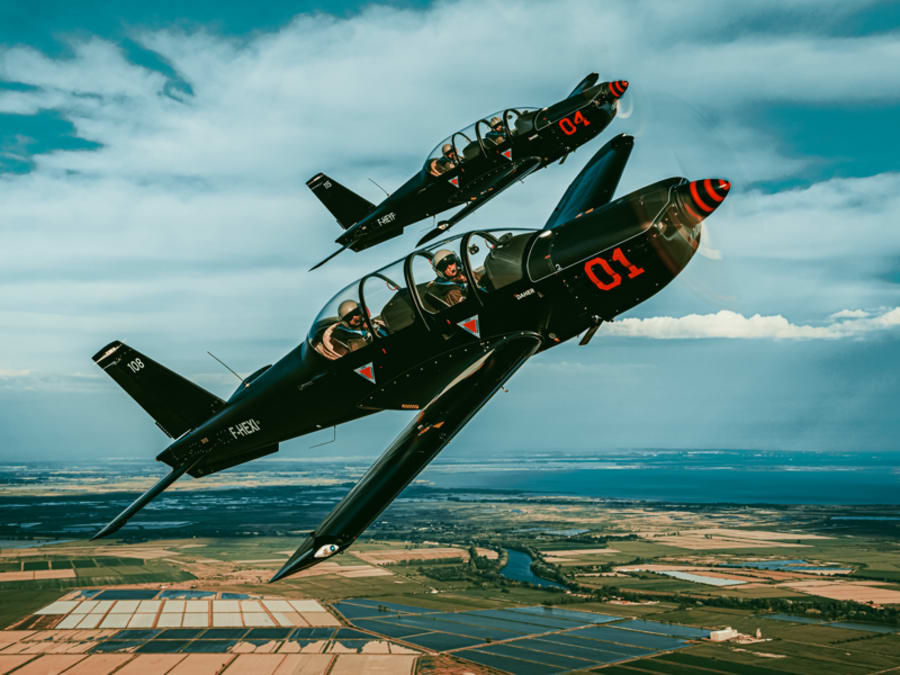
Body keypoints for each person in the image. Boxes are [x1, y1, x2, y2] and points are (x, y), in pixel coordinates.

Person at [315, 300, 379, 359]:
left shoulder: (376, 324)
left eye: (356, 312)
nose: (355, 318)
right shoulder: (341, 338)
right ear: (345, 321)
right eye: (349, 317)